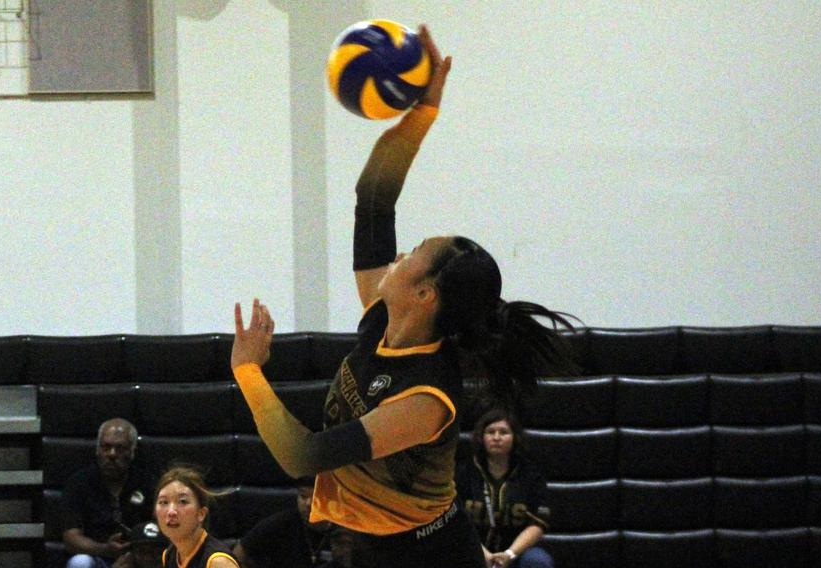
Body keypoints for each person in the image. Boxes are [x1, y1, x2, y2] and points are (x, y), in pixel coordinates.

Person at [229, 24, 576, 568]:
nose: (399, 253)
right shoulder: (382, 320)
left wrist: (248, 370)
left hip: (430, 555)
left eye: (414, 250)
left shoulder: (427, 397)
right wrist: (422, 114)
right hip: (374, 546)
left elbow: (302, 454)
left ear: (424, 292)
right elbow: (373, 198)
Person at [456, 408, 554, 568]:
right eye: (490, 432)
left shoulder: (530, 475)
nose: (496, 437)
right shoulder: (464, 473)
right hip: (473, 550)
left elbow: (538, 524)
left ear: (515, 437)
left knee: (538, 561)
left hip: (516, 553)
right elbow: (456, 522)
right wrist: (482, 554)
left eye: (503, 432)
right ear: (481, 437)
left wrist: (509, 554)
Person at [61, 418, 157, 568]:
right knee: (79, 563)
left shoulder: (148, 484)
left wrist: (134, 557)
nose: (112, 454)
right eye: (106, 447)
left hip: (139, 559)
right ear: (97, 450)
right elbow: (71, 538)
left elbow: (161, 531)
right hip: (97, 556)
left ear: (132, 452)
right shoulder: (79, 483)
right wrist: (105, 549)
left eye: (120, 448)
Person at [232, 477, 336, 568]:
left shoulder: (344, 526)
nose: (308, 503)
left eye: (315, 497)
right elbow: (238, 556)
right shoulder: (280, 523)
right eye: (303, 496)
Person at [155, 466, 239, 568]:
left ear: (201, 514)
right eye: (164, 502)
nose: (171, 511)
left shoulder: (218, 562)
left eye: (183, 501)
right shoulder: (169, 555)